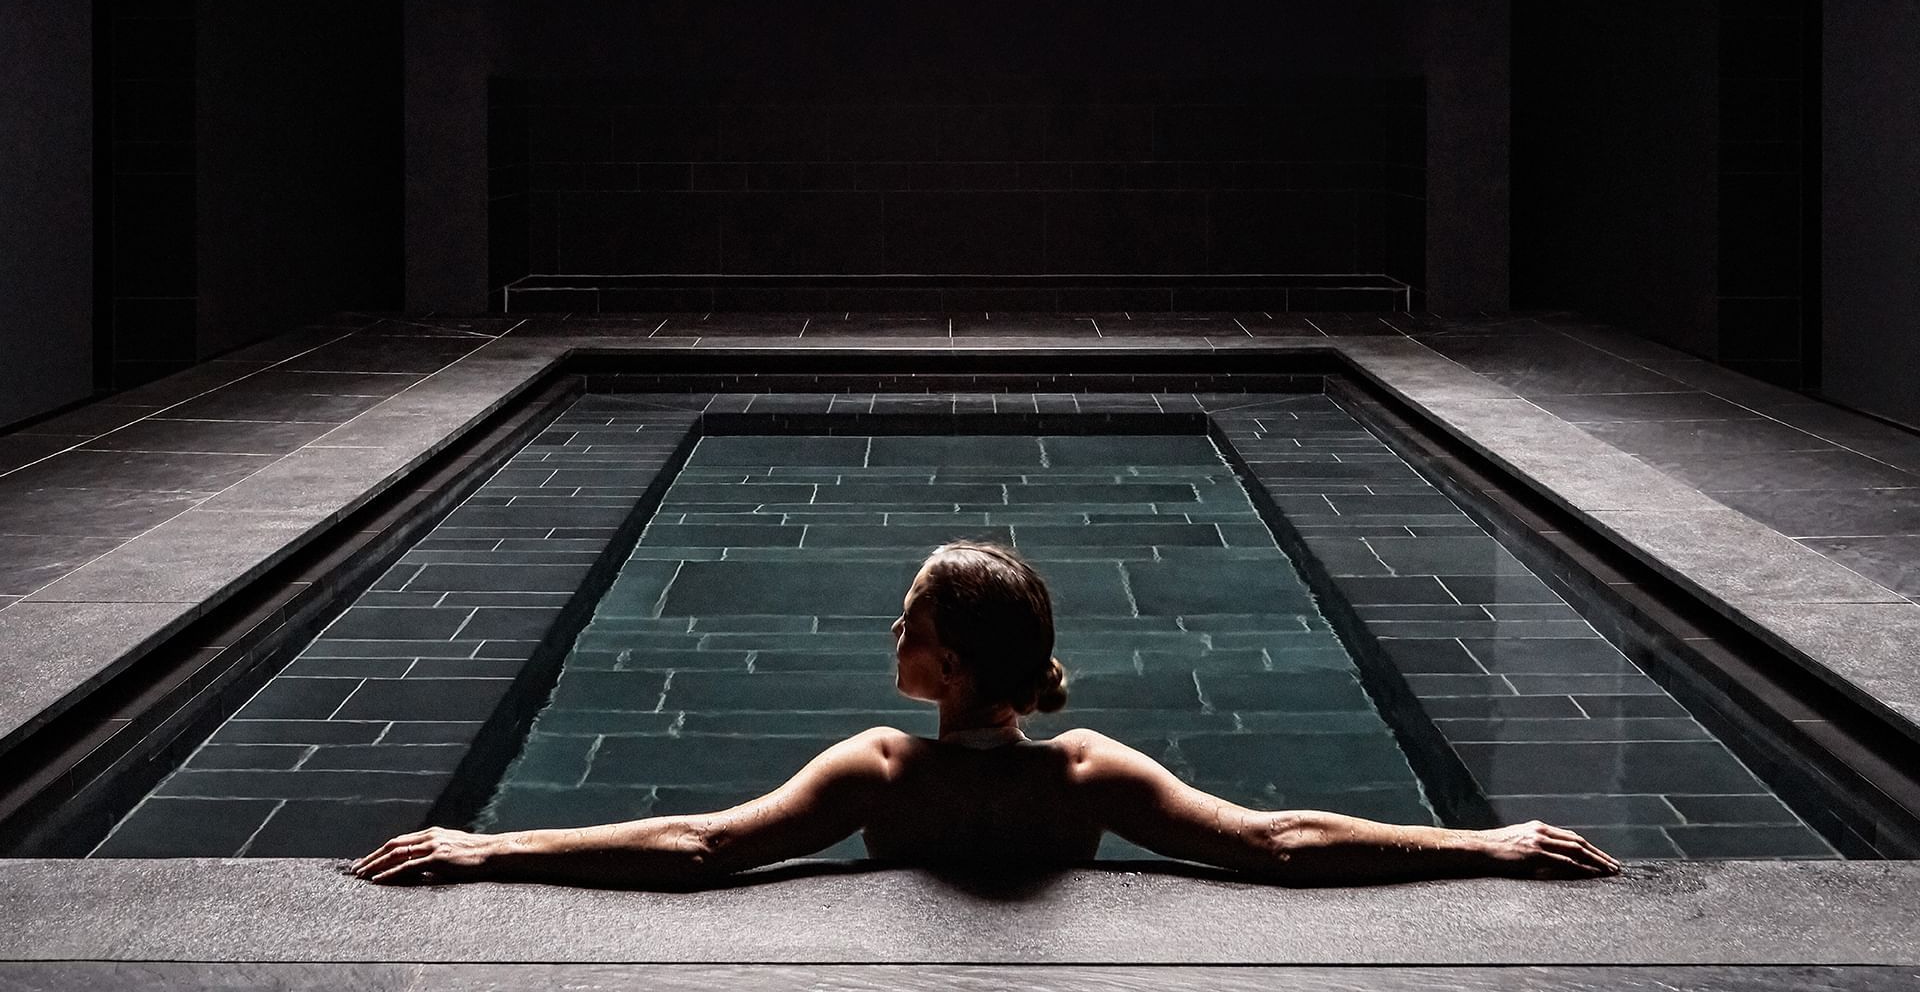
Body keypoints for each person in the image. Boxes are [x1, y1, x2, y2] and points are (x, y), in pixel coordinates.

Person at [350, 541, 1622, 887]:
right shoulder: (1084, 776)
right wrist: (1481, 843)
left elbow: (701, 846)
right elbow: (1275, 841)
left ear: (950, 666)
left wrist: (492, 845)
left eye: (907, 619)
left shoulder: (883, 770)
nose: (888, 632)